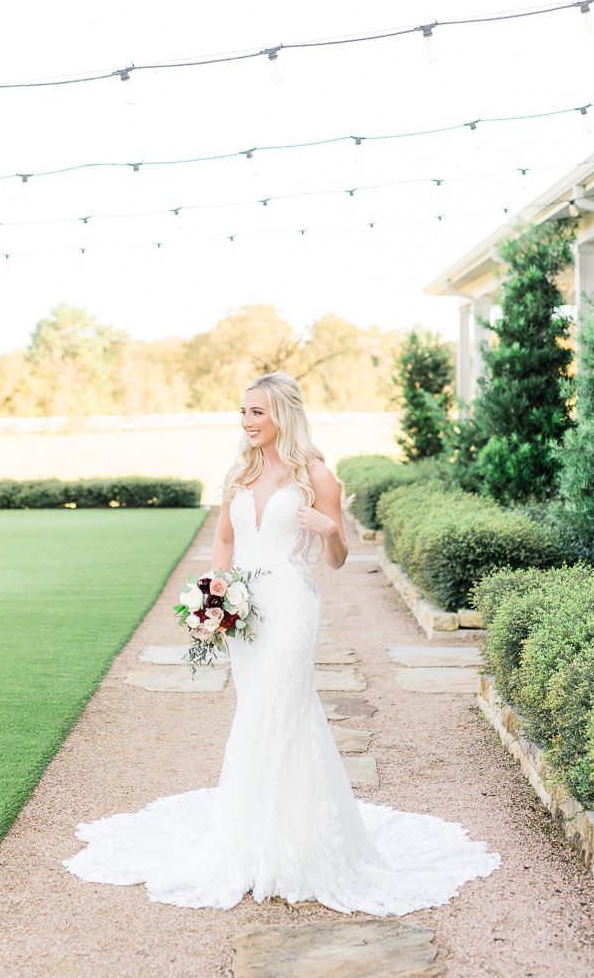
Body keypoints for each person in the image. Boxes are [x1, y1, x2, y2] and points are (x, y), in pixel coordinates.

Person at [61, 370, 501, 913]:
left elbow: (338, 559)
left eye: (257, 413)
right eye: (243, 412)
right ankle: (250, 841)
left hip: (292, 606)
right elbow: (224, 538)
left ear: (282, 416)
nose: (246, 422)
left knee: (284, 709)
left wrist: (330, 529)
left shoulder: (318, 475)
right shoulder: (238, 473)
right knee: (253, 713)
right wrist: (213, 597)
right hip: (244, 609)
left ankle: (304, 848)